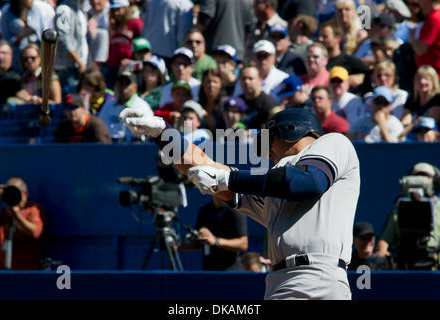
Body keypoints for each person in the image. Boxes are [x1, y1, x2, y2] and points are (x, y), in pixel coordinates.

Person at [119, 105, 361, 300]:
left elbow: (308, 183)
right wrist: (163, 133)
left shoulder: (333, 143)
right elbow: (204, 165)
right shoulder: (271, 184)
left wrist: (231, 178)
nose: (268, 154)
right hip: (279, 281)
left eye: (269, 142)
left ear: (291, 129)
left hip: (320, 276)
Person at [374, 162, 440, 269]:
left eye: (426, 176)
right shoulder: (400, 206)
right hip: (405, 262)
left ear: (434, 180)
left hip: (433, 263)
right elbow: (385, 239)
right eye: (417, 175)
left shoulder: (439, 207)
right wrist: (380, 255)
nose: (421, 178)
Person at [0, 177, 46, 270]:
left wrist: (16, 215)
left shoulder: (33, 210)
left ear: (25, 194)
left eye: (15, 192)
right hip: (4, 270)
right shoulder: (5, 212)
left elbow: (35, 232)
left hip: (27, 271)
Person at [180, 196, 248, 271]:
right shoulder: (205, 210)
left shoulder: (235, 210)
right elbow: (198, 244)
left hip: (230, 270)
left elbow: (243, 244)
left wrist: (216, 241)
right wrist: (179, 245)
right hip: (208, 269)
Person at [98, 70, 153, 142]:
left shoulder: (142, 106)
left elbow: (150, 131)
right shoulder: (109, 105)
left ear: (135, 87)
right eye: (121, 83)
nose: (123, 87)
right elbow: (100, 126)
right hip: (110, 146)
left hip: (133, 146)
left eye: (127, 84)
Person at [318, 20, 370, 89]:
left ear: (337, 38)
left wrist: (361, 77)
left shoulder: (348, 60)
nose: (320, 39)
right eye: (320, 36)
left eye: (325, 37)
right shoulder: (317, 61)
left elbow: (370, 74)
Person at [54, 0, 89, 88]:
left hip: (78, 67)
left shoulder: (80, 10)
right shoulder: (63, 10)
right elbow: (63, 40)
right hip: (67, 69)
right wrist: (79, 62)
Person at [238, 64, 280, 129]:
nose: (246, 82)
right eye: (243, 78)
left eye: (250, 78)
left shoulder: (270, 105)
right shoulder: (236, 101)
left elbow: (273, 135)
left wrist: (251, 133)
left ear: (260, 80)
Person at [410, 0, 440, 76]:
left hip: (435, 74)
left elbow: (420, 49)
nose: (419, 3)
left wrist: (412, 36)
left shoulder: (435, 18)